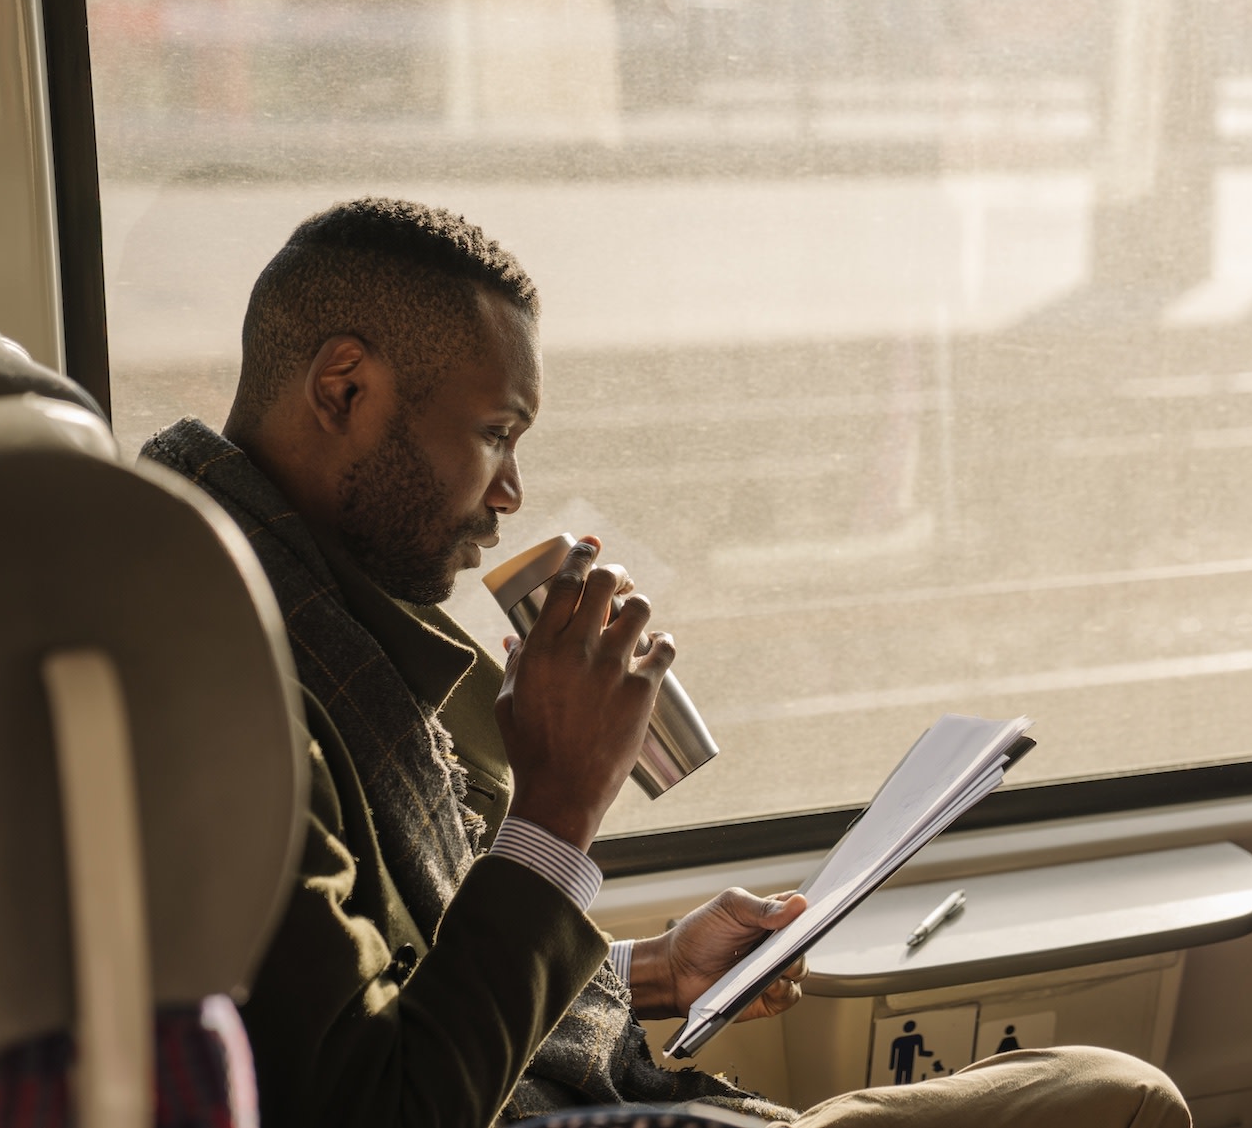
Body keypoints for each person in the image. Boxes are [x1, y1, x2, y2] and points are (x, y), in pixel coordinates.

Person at [142, 196, 1191, 1128]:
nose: (510, 491)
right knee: (1125, 1099)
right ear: (345, 388)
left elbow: (406, 979)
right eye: (496, 432)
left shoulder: (313, 617)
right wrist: (557, 806)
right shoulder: (223, 685)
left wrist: (651, 970)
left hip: (568, 1085)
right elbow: (378, 1104)